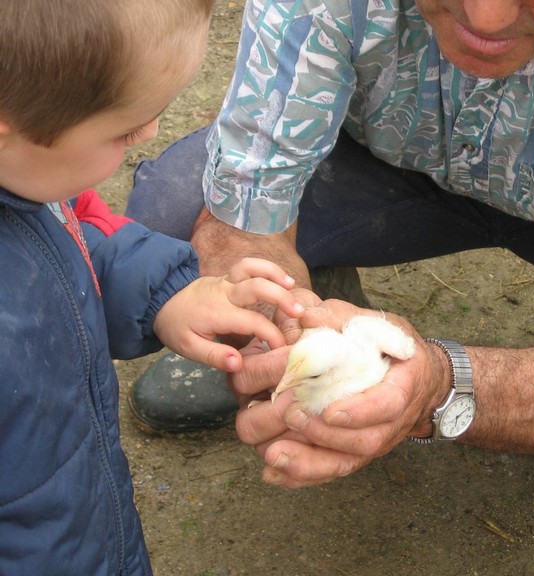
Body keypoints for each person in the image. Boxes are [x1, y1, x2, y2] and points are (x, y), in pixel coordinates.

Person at [126, 0, 534, 574]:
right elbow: (244, 213)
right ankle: (303, 311)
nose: (484, 17)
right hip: (388, 166)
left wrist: (443, 385)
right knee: (177, 221)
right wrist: (285, 325)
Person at [0, 1, 305, 574]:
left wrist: (167, 296)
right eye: (125, 128)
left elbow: (74, 241)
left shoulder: (25, 179)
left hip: (84, 525)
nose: (152, 132)